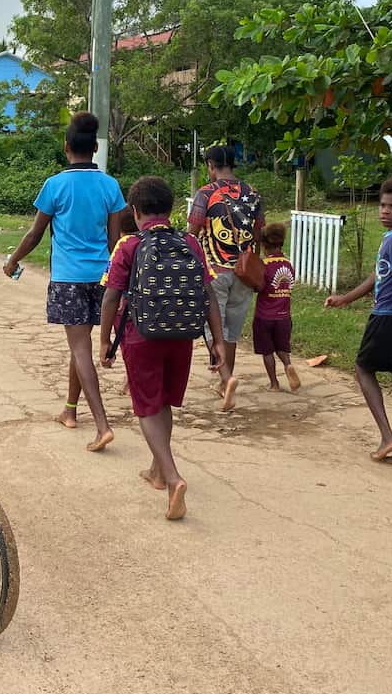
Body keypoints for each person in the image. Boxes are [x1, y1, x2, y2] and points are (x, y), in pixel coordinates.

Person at [100, 176, 226, 521]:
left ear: (135, 211)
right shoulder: (190, 242)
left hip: (141, 334)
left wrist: (104, 342)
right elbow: (208, 294)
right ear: (171, 210)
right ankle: (157, 469)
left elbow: (111, 295)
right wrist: (217, 340)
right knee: (163, 402)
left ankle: (172, 478)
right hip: (183, 333)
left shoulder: (128, 245)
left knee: (145, 406)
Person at [4, 112, 125, 453]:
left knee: (80, 349)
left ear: (67, 147)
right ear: (94, 148)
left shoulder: (55, 185)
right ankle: (70, 411)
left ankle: (102, 425)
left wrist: (13, 260)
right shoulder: (110, 186)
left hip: (69, 279)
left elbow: (35, 233)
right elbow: (115, 240)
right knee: (80, 345)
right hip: (102, 278)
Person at [325, 176, 392, 471]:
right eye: (383, 205)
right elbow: (379, 276)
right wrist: (347, 298)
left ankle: (387, 437)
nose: (385, 211)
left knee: (363, 368)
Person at [187, 145, 264, 410]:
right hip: (245, 271)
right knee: (231, 330)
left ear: (210, 165)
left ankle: (226, 377)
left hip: (214, 270)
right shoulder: (253, 192)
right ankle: (223, 382)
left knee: (212, 327)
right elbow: (257, 232)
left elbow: (193, 231)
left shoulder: (205, 193)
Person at [251, 222, 301, 392]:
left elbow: (259, 287)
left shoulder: (264, 265)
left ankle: (274, 383)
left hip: (264, 316)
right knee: (281, 347)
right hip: (284, 316)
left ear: (264, 245)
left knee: (267, 351)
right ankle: (288, 365)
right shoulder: (288, 265)